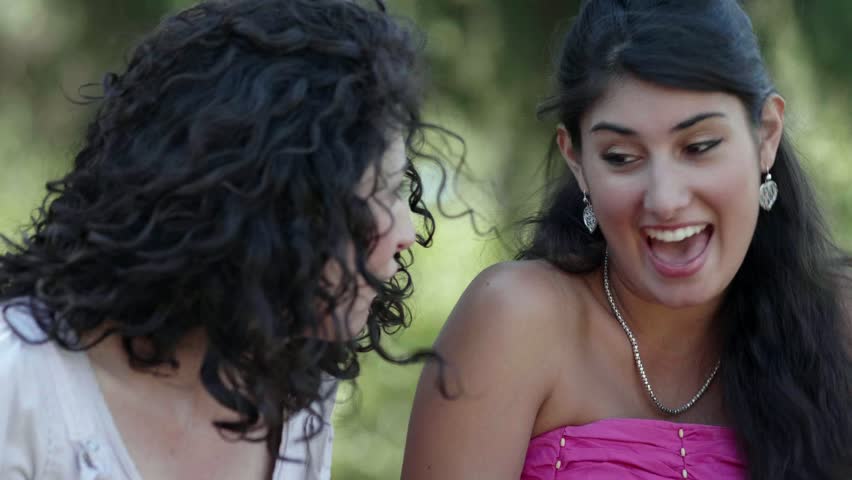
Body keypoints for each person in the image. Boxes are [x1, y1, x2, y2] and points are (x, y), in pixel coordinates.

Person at [402, 0, 852, 478]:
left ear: (766, 136)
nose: (665, 199)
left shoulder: (838, 325)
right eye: (621, 157)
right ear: (577, 161)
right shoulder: (515, 320)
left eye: (698, 147)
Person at [0, 0, 447, 478]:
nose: (407, 233)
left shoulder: (297, 387)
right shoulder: (21, 381)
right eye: (382, 193)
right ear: (273, 206)